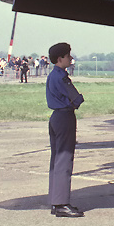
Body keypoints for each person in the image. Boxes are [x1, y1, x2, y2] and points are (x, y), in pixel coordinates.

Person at [46, 42, 85, 217]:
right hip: (64, 117)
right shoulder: (62, 77)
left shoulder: (52, 75)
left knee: (56, 160)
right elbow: (76, 99)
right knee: (64, 159)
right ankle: (62, 203)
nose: (70, 58)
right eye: (68, 56)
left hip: (56, 117)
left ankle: (55, 200)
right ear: (60, 58)